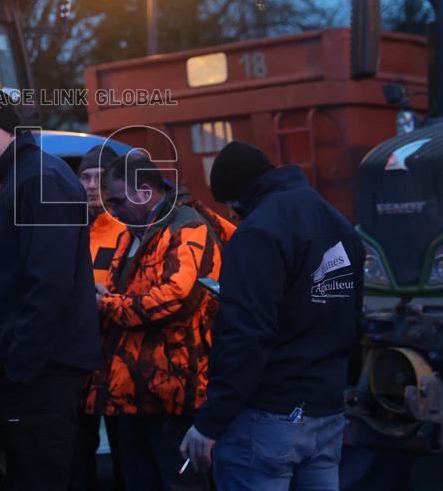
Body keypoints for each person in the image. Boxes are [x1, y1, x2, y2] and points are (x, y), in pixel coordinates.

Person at [179, 141, 364, 491]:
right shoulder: (339, 223)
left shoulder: (258, 232)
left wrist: (210, 423)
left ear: (239, 195)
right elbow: (351, 319)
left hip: (268, 416)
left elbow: (246, 335)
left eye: (230, 204)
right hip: (326, 410)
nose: (233, 214)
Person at [0, 87, 99, 491]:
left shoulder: (39, 180)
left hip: (42, 372)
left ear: (9, 127)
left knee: (39, 476)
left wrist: (21, 366)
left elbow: (49, 285)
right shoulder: (22, 178)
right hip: (36, 369)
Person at [86, 153, 228, 491]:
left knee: (180, 483)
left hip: (174, 393)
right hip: (136, 394)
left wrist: (106, 303)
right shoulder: (132, 234)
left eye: (118, 201)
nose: (113, 211)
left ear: (145, 192)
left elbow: (176, 298)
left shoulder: (187, 227)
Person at [72, 144, 129, 491]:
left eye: (100, 177)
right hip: (79, 355)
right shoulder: (67, 226)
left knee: (126, 448)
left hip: (120, 353)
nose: (92, 185)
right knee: (80, 447)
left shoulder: (129, 229)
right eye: (85, 177)